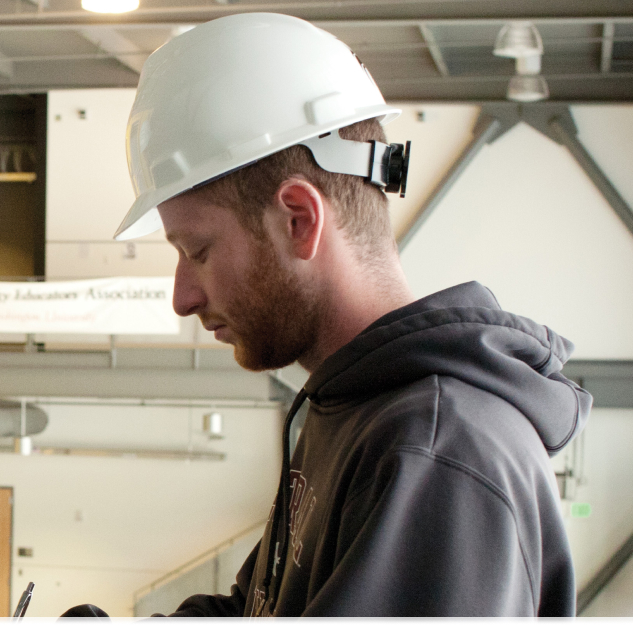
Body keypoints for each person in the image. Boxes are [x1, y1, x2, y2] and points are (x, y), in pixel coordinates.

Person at [113, 13, 589, 617]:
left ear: (299, 221)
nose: (183, 296)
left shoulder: (437, 454)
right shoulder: (354, 407)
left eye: (198, 251)